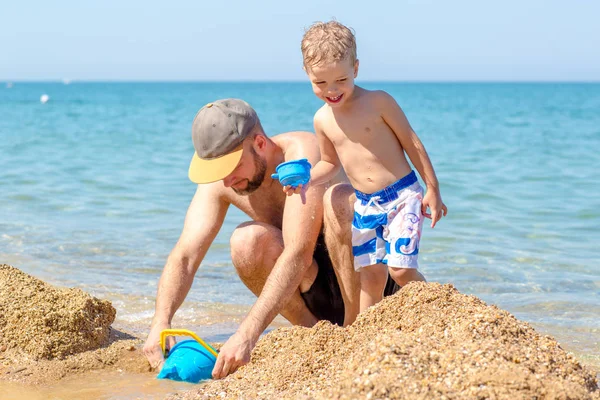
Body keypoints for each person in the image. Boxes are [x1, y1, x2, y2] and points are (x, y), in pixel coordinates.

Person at [143, 98, 361, 379]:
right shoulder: (223, 181)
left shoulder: (301, 156)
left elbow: (298, 253)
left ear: (259, 143)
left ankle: (357, 330)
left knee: (338, 200)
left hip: (364, 284)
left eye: (232, 166)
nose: (226, 181)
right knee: (247, 242)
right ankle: (315, 334)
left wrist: (247, 334)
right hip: (311, 291)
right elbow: (185, 255)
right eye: (217, 170)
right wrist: (161, 320)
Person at [294, 21, 448, 313]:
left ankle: (439, 307)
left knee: (400, 271)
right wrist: (306, 179)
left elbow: (411, 143)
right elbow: (329, 163)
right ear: (307, 74)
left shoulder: (379, 102)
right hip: (365, 206)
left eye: (341, 79)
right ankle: (365, 337)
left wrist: (433, 188)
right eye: (321, 83)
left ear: (356, 68)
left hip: (402, 196)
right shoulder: (322, 119)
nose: (332, 90)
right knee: (370, 278)